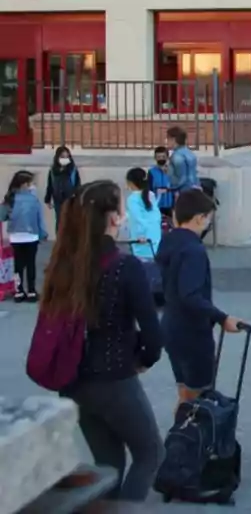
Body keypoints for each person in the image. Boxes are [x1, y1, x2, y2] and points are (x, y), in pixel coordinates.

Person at [43, 180, 164, 501]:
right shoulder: (126, 266)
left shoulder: (64, 263)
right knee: (150, 453)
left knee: (108, 464)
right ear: (113, 218)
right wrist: (142, 359)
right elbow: (153, 336)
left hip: (72, 381)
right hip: (114, 377)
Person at [157, 188, 243, 410]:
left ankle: (180, 439)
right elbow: (191, 295)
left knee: (185, 394)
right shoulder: (193, 250)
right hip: (192, 333)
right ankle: (188, 441)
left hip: (171, 326)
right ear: (199, 218)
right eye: (208, 219)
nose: (208, 224)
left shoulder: (167, 242)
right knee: (198, 397)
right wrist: (222, 317)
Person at [1, 170, 48, 302]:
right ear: (24, 184)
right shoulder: (33, 199)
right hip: (31, 235)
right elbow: (40, 218)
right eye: (31, 183)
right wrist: (43, 233)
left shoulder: (10, 198)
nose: (33, 185)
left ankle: (19, 291)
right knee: (30, 264)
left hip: (15, 236)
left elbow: (2, 216)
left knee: (18, 265)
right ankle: (31, 291)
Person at [123, 169, 161, 262]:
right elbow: (156, 216)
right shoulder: (151, 195)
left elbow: (137, 219)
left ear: (130, 183)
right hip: (155, 241)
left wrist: (140, 235)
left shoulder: (132, 199)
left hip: (141, 243)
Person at [45, 146, 81, 231]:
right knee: (59, 221)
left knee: (70, 221)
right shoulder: (53, 170)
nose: (65, 159)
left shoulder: (73, 170)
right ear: (57, 157)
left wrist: (77, 197)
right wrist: (47, 199)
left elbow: (78, 185)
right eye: (62, 157)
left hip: (70, 199)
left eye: (67, 157)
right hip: (58, 199)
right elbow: (50, 185)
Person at [165, 126, 199, 193]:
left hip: (183, 192)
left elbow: (180, 178)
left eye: (168, 138)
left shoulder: (177, 156)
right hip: (195, 189)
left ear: (173, 139)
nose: (166, 141)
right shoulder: (190, 153)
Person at [148, 146, 175, 224]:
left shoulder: (172, 171)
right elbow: (149, 189)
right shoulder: (152, 172)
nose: (161, 159)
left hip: (170, 205)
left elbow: (176, 186)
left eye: (163, 157)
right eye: (158, 157)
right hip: (157, 205)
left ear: (167, 157)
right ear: (155, 158)